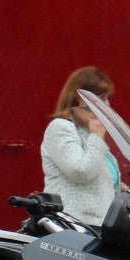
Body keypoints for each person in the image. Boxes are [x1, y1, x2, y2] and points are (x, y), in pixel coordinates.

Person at [41, 67, 120, 225]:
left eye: (107, 99)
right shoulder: (61, 127)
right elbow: (80, 171)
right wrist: (97, 137)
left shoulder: (88, 133)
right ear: (79, 100)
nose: (107, 105)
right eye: (101, 98)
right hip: (72, 226)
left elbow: (96, 179)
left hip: (97, 226)